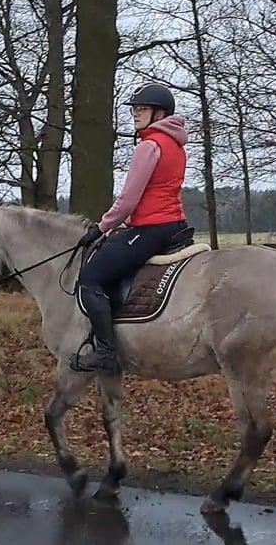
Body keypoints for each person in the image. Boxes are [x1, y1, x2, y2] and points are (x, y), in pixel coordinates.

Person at [69, 83, 189, 373]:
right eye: (135, 109)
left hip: (152, 228)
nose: (136, 114)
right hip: (174, 223)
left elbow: (129, 200)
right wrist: (120, 224)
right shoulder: (176, 144)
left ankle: (107, 353)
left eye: (143, 109)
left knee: (90, 278)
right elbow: (153, 195)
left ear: (160, 113)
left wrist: (101, 228)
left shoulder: (150, 146)